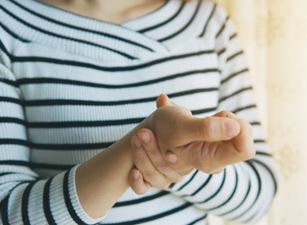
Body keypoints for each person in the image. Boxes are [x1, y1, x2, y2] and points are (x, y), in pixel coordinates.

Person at [0, 0, 280, 224]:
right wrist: (144, 147)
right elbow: (6, 212)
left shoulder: (208, 22)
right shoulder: (8, 24)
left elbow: (260, 193)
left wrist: (185, 164)